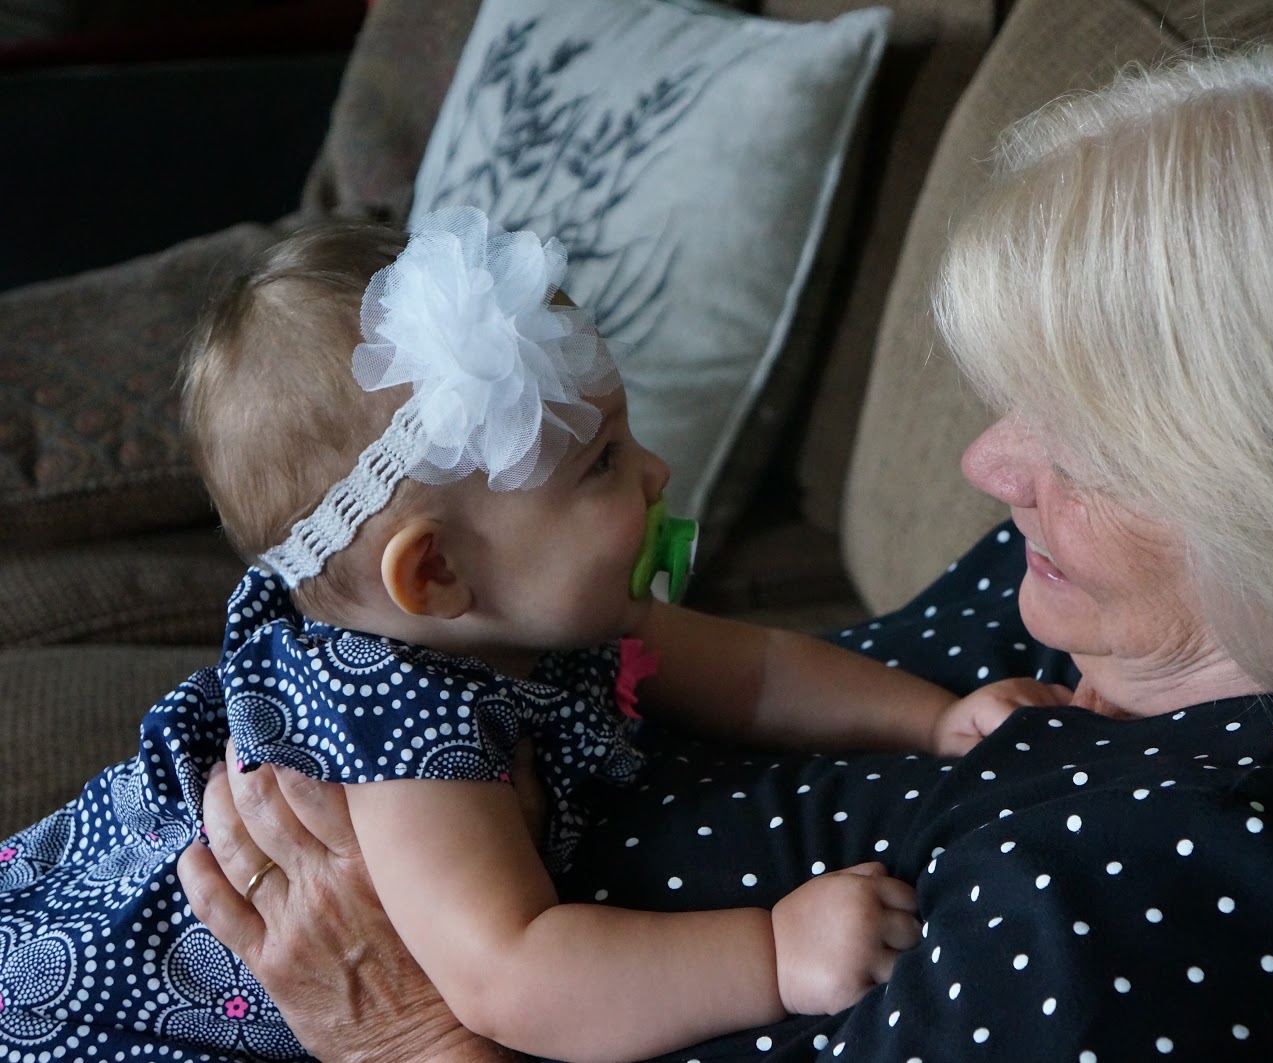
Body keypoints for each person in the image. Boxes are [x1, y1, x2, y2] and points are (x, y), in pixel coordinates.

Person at [178, 43, 1273, 1062]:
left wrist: (401, 1032)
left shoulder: (1187, 908)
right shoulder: (1111, 597)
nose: (988, 466)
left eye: (1083, 435)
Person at [0, 206, 1068, 1063]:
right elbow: (511, 975)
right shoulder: (400, 734)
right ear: (436, 572)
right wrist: (773, 951)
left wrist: (933, 721)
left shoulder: (531, 611)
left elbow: (753, 671)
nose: (655, 472)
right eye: (600, 462)